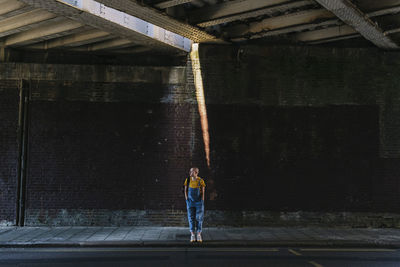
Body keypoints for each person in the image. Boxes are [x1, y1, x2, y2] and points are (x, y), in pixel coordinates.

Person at [184, 167, 205, 242]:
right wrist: (186, 199)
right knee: (191, 217)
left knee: (199, 218)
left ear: (196, 172)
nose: (190, 172)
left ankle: (199, 234)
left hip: (199, 202)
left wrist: (202, 200)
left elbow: (203, 192)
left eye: (191, 171)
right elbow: (185, 190)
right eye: (190, 171)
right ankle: (192, 234)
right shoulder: (188, 180)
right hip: (190, 202)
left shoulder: (200, 181)